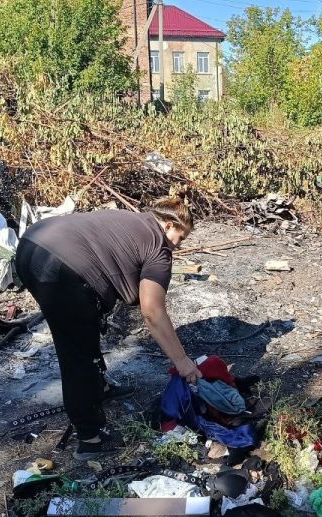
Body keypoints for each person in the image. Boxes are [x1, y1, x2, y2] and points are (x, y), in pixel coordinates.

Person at [14, 197, 202, 459]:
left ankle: (99, 388)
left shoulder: (132, 219)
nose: (178, 246)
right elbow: (152, 311)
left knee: (84, 323)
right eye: (181, 238)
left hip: (30, 245)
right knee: (76, 351)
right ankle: (89, 437)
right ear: (169, 225)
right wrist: (182, 360)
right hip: (62, 266)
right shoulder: (158, 246)